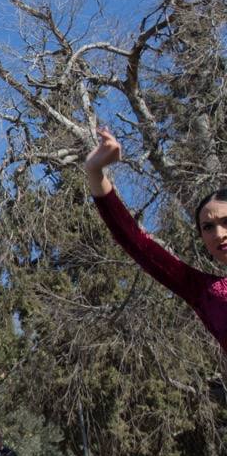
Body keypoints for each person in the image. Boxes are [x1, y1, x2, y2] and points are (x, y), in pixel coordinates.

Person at [85, 126, 227, 350]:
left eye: (226, 222)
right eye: (208, 227)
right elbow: (136, 242)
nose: (218, 234)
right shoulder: (206, 293)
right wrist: (94, 170)